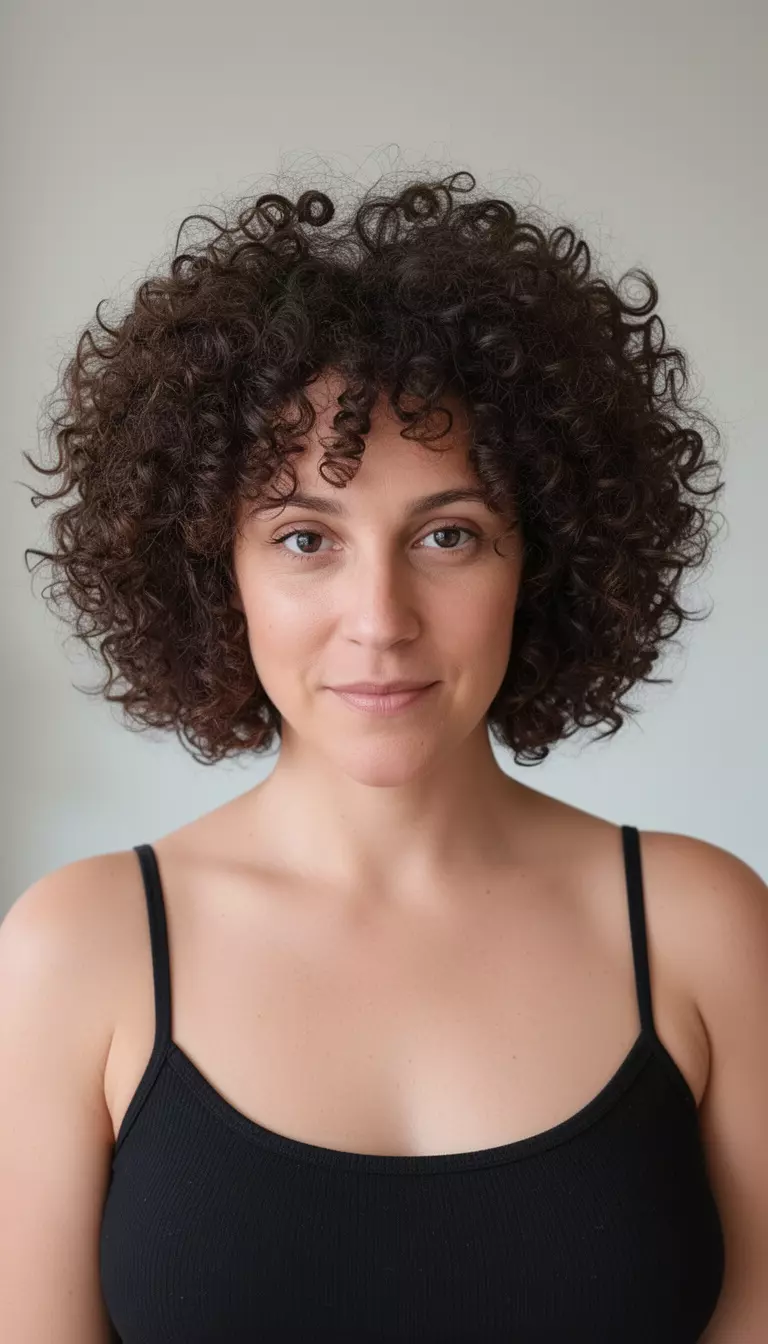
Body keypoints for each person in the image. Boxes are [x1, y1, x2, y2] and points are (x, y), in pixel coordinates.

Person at [3, 168, 767, 1343]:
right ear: (214, 569)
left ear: (542, 559)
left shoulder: (704, 926)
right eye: (305, 538)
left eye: (448, 535)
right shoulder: (78, 951)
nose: (380, 618)